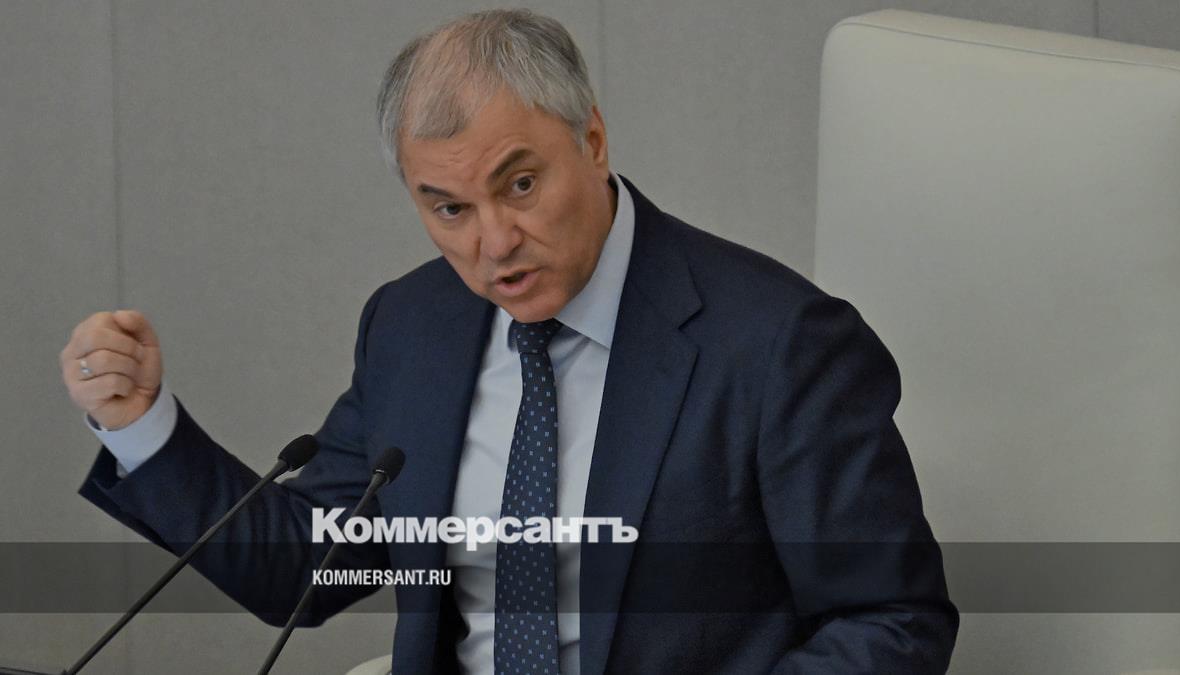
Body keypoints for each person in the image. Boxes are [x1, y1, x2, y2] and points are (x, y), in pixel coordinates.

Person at [59, 8, 958, 674]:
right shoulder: (411, 326)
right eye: (449, 208)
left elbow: (890, 621)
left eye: (520, 185)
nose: (493, 244)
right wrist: (142, 425)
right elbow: (308, 567)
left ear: (592, 140)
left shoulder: (776, 343)